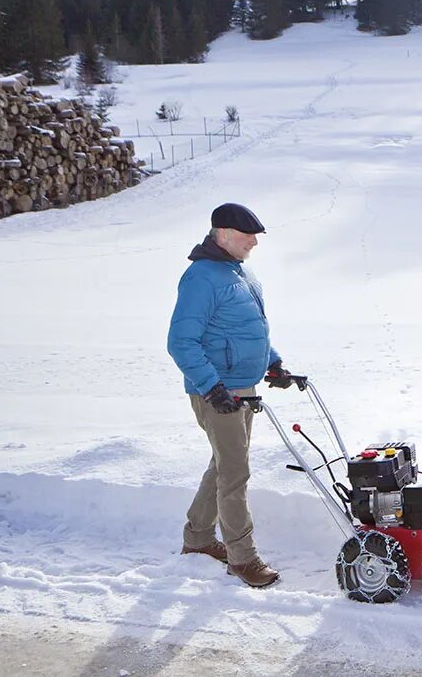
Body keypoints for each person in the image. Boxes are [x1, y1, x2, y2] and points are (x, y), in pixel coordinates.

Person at [167, 202, 296, 588]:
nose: (254, 242)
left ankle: (198, 538)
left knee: (224, 466)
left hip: (242, 387)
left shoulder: (240, 273)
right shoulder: (201, 278)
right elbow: (181, 342)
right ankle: (242, 559)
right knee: (235, 472)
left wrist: (272, 364)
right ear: (222, 234)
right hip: (218, 390)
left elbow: (247, 329)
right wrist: (211, 387)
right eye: (247, 236)